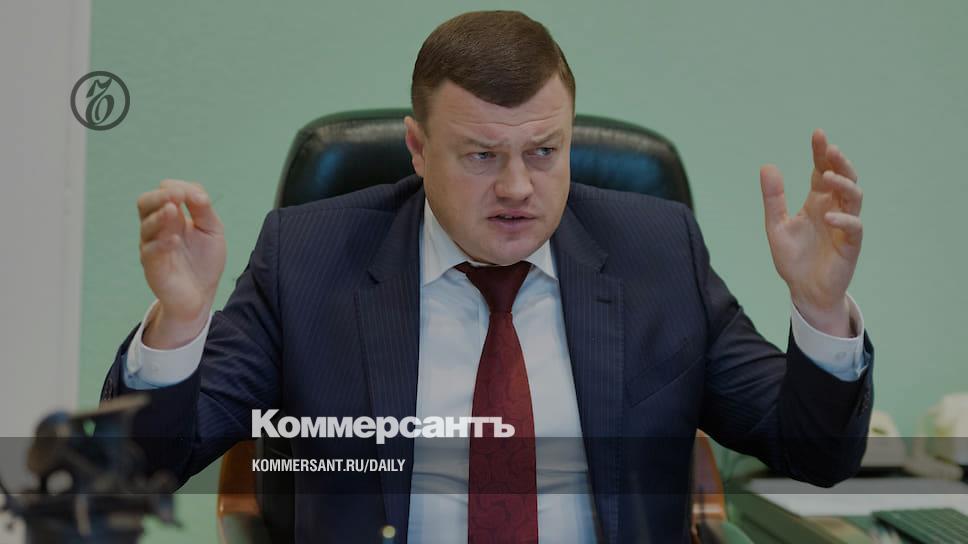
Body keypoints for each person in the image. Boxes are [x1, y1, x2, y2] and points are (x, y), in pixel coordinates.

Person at [100, 10, 874, 543]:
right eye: (481, 155)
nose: (516, 187)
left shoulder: (656, 253)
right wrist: (179, 324)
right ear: (417, 147)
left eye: (544, 152)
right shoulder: (309, 259)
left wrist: (820, 309)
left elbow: (816, 455)